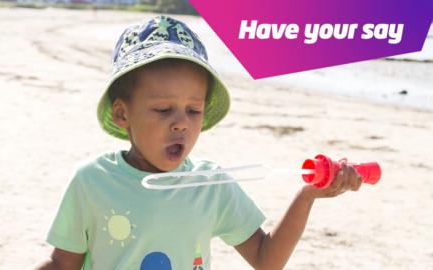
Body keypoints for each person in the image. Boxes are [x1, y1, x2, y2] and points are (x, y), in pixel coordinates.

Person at [34, 15, 362, 270]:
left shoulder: (211, 184)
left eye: (194, 110)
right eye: (163, 109)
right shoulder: (92, 181)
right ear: (122, 114)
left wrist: (307, 196)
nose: (181, 123)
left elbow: (267, 259)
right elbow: (63, 264)